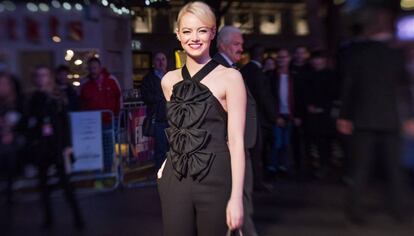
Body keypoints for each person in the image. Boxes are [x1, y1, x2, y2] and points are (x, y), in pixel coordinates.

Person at [157, 2, 245, 235]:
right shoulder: (168, 81)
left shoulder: (231, 78)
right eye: (187, 31)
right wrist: (166, 162)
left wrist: (237, 197)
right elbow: (179, 128)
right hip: (174, 180)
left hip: (216, 178)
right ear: (178, 34)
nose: (194, 38)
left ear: (213, 32)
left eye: (201, 30)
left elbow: (236, 142)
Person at [338, 8, 414, 224]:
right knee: (394, 169)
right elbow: (405, 87)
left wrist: (344, 116)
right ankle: (398, 211)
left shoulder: (357, 53)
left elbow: (349, 86)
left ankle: (356, 212)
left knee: (360, 168)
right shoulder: (396, 55)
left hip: (363, 119)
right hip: (391, 119)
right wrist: (409, 117)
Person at [26, 66, 84, 229]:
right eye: (38, 75)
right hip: (41, 147)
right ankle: (48, 219)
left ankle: (78, 218)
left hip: (57, 146)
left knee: (66, 184)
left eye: (44, 75)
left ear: (49, 77)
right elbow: (29, 121)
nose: (41, 79)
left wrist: (68, 145)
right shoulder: (33, 98)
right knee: (43, 184)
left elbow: (64, 123)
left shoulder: (57, 97)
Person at [214, 25, 258, 236]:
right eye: (236, 44)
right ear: (222, 44)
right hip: (231, 147)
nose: (241, 48)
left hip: (239, 145)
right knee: (239, 200)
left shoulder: (233, 68)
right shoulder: (220, 69)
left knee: (240, 198)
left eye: (242, 44)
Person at [241, 44, 277, 182]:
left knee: (252, 152)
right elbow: (264, 96)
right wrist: (273, 116)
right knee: (259, 152)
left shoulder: (245, 70)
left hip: (250, 116)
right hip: (261, 118)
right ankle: (258, 181)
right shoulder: (258, 72)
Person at [141, 52, 169, 170]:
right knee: (160, 149)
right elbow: (146, 96)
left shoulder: (171, 76)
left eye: (163, 59)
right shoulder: (148, 79)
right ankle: (161, 174)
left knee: (172, 148)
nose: (161, 62)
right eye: (158, 59)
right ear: (153, 63)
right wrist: (162, 96)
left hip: (173, 119)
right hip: (158, 119)